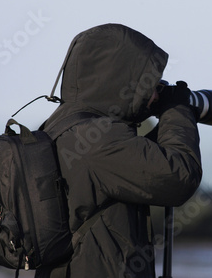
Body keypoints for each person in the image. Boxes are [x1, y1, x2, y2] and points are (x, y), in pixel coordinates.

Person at [36, 23, 202, 278]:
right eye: (149, 84)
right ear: (120, 79)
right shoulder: (99, 140)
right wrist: (177, 109)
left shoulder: (63, 125)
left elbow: (140, 162)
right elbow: (179, 176)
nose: (154, 94)